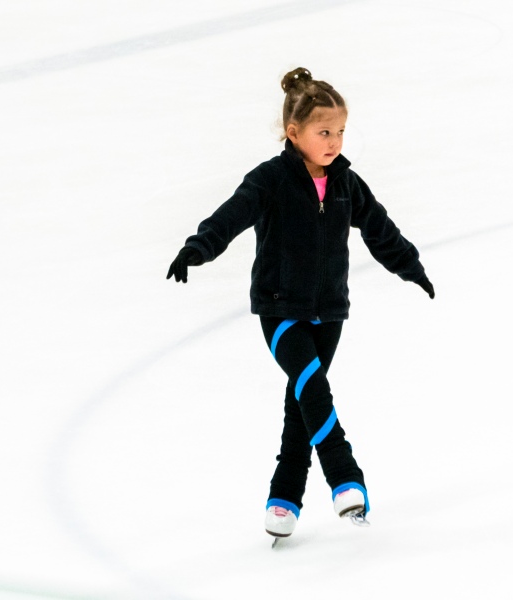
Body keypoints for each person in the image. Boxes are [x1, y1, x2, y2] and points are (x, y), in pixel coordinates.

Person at [167, 67, 434, 539]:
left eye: (340, 131)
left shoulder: (347, 183)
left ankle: (284, 499)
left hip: (329, 311)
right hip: (280, 310)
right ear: (295, 133)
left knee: (300, 404)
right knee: (311, 388)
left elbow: (380, 229)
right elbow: (231, 216)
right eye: (324, 131)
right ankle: (345, 477)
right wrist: (198, 247)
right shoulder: (271, 180)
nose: (334, 141)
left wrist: (410, 266)